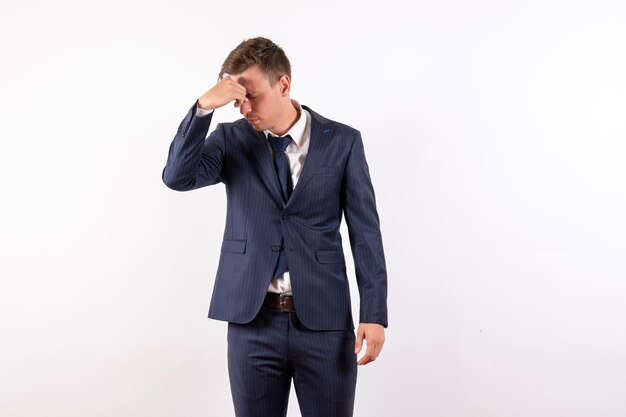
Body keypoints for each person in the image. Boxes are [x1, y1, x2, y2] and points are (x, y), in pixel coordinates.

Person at [162, 36, 388, 417]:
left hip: (325, 323)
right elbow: (177, 177)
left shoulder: (343, 142)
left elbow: (365, 232)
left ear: (283, 84)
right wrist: (202, 109)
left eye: (252, 95)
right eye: (236, 99)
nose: (244, 107)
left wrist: (374, 312)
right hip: (253, 323)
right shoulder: (231, 138)